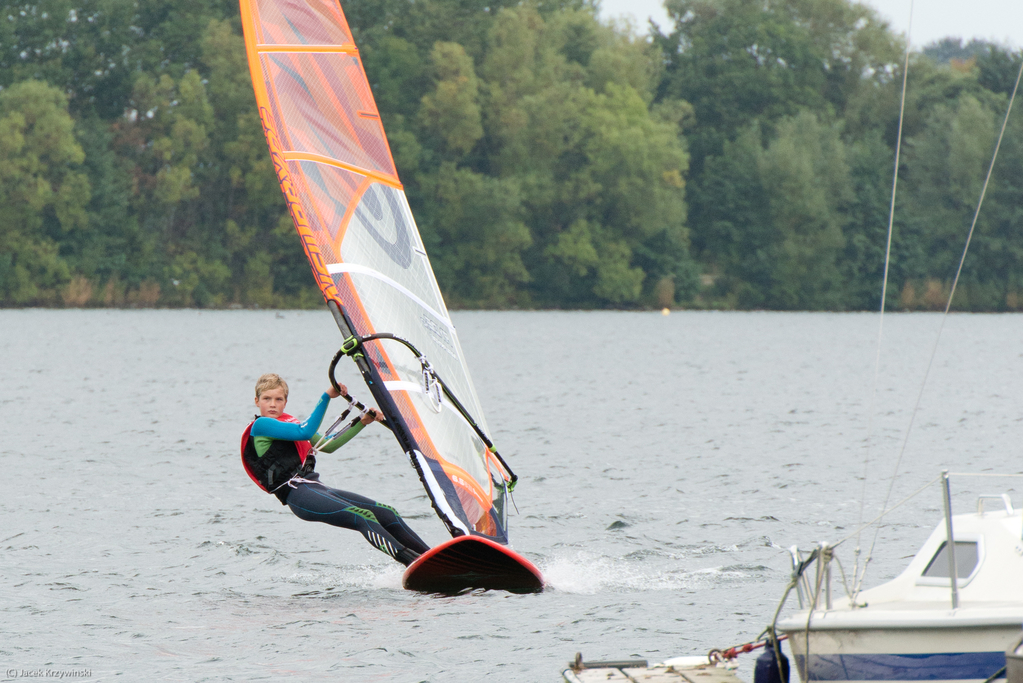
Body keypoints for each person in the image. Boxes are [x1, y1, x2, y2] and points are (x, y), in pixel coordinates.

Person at [240, 373, 430, 566]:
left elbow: (328, 445)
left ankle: (432, 557)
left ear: (285, 402)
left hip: (316, 486)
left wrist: (362, 423)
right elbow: (304, 432)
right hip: (298, 495)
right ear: (257, 401)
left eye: (278, 399)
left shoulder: (289, 422)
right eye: (267, 399)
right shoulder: (261, 425)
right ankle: (415, 563)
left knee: (387, 513)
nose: (272, 404)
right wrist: (326, 397)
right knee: (362, 516)